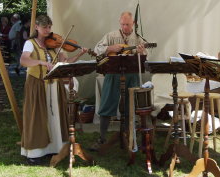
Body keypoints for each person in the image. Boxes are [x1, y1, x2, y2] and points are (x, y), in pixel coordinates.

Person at [20, 15, 89, 165]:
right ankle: (35, 152)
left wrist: (79, 54)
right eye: (45, 27)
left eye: (49, 27)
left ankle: (54, 148)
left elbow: (66, 62)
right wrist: (40, 62)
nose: (48, 30)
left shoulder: (54, 45)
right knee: (38, 117)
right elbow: (24, 60)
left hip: (54, 85)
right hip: (37, 84)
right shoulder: (30, 44)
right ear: (37, 27)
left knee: (55, 116)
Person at [92, 11, 146, 150]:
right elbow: (96, 49)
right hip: (113, 74)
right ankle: (102, 138)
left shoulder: (139, 39)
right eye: (122, 24)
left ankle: (129, 136)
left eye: (127, 24)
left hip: (131, 75)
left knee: (130, 106)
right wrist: (109, 48)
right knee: (107, 103)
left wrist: (141, 53)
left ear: (133, 24)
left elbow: (144, 59)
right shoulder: (111, 36)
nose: (125, 27)